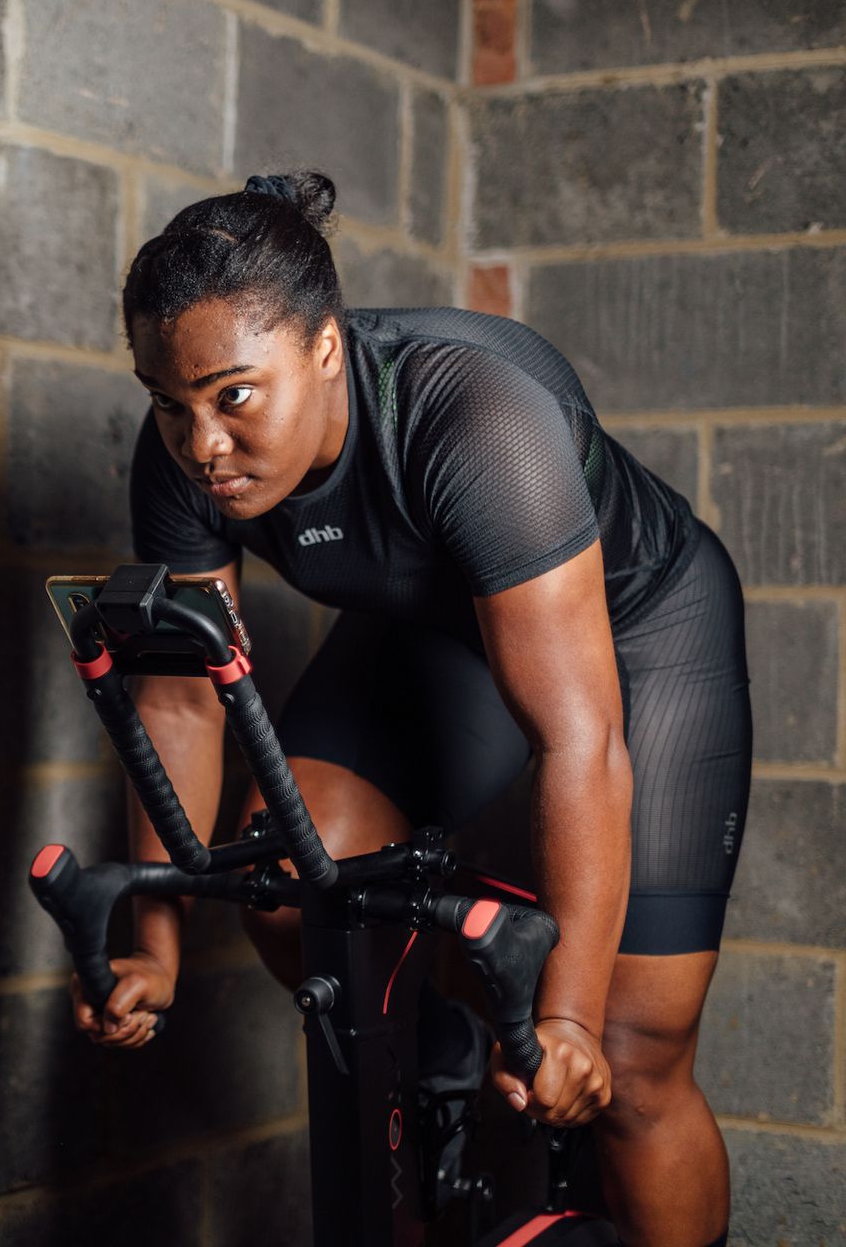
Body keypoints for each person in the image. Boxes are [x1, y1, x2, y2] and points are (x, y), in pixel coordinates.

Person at [67, 171, 749, 1247]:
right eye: (170, 401)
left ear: (326, 347)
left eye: (232, 395)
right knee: (296, 890)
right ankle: (437, 1052)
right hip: (434, 633)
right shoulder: (183, 457)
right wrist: (154, 942)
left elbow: (579, 734)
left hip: (638, 637)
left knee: (631, 1052)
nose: (201, 444)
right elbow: (181, 702)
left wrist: (566, 1014)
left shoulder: (478, 418)